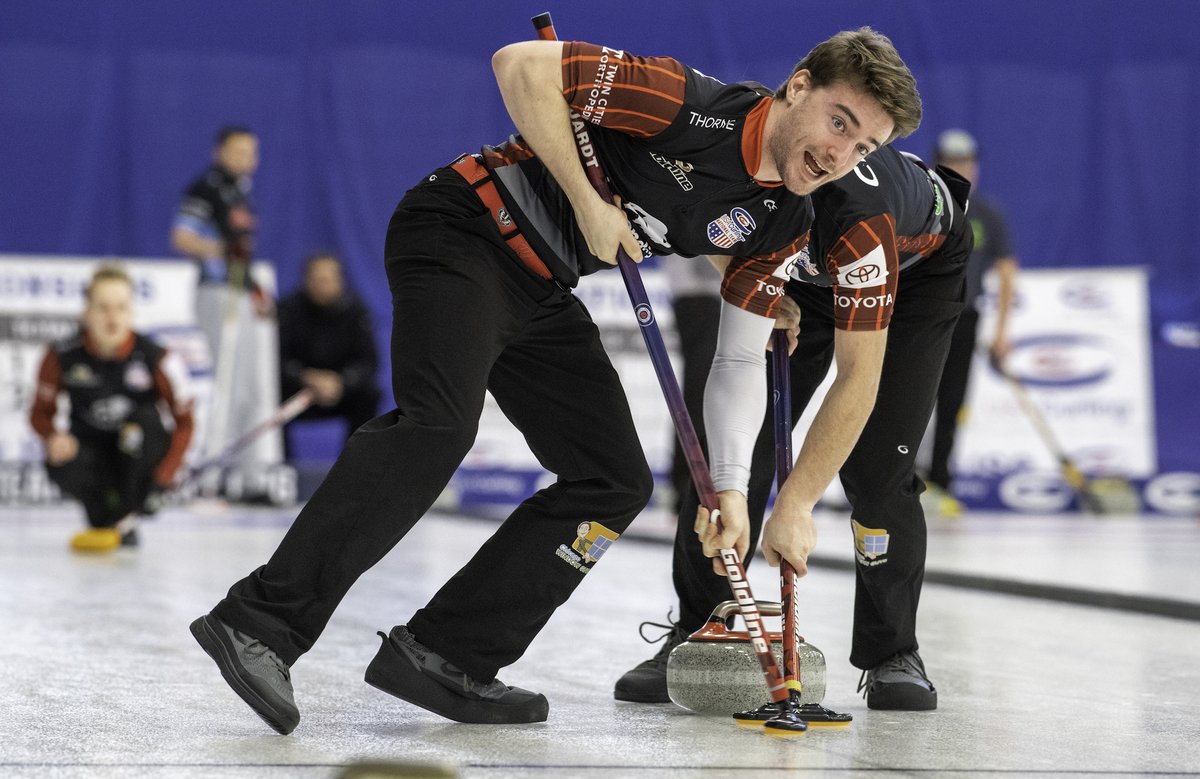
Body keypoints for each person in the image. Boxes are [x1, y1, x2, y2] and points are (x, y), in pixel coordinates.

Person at [189, 28, 920, 735]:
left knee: (614, 480)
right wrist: (587, 201)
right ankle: (259, 624)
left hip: (542, 287)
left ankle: (446, 654)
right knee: (439, 426)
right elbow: (520, 66)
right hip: (466, 229)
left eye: (865, 146)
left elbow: (736, 361)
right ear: (799, 87)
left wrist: (729, 487)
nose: (840, 154)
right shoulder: (689, 103)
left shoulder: (782, 220)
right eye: (839, 122)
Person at [615, 143, 973, 712]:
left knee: (879, 465)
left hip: (911, 277)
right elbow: (707, 237)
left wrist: (796, 503)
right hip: (804, 272)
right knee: (734, 449)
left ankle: (892, 653)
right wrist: (758, 283)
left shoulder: (858, 214)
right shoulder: (736, 160)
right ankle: (698, 627)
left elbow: (859, 379)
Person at [30, 264, 195, 550]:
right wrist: (52, 437)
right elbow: (39, 414)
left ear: (131, 311)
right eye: (103, 308)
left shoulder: (158, 359)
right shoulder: (60, 355)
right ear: (87, 312)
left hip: (139, 453)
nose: (112, 317)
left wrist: (165, 477)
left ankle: (130, 508)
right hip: (90, 452)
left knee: (141, 425)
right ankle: (107, 517)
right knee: (61, 459)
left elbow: (186, 422)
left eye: (121, 307)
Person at [170, 126, 280, 478]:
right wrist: (219, 251)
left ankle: (249, 475)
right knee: (227, 382)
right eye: (238, 151)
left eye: (252, 152)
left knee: (250, 387)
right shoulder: (206, 189)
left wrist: (254, 287)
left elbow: (243, 254)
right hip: (217, 292)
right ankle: (211, 473)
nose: (247, 159)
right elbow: (182, 237)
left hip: (239, 290)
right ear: (220, 152)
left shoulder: (240, 193)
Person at [924, 128, 1019, 514]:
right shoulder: (924, 206)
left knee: (952, 401)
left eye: (965, 162)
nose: (960, 169)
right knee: (911, 398)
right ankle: (893, 480)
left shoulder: (987, 214)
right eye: (951, 162)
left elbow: (1008, 272)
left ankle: (940, 480)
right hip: (923, 316)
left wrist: (1001, 334)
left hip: (966, 317)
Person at [277, 251, 381, 452]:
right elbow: (274, 360)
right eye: (316, 280)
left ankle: (354, 469)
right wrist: (304, 377)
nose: (321, 286)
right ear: (305, 280)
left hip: (339, 391)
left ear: (340, 281)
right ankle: (280, 470)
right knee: (268, 397)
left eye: (327, 280)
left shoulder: (356, 313)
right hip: (297, 391)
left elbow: (369, 362)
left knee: (370, 395)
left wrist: (342, 382)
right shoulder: (288, 311)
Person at [660, 254, 722, 513]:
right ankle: (689, 486)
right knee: (699, 394)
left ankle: (689, 484)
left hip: (701, 296)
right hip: (700, 297)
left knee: (702, 393)